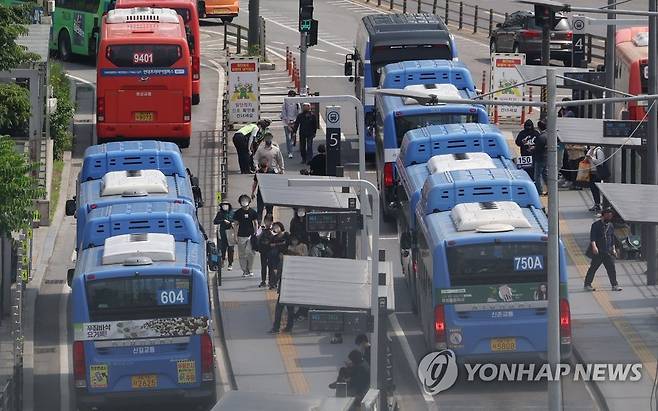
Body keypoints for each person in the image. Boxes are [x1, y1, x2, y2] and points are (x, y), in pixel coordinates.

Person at [584, 208, 622, 292]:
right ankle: (587, 284)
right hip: (599, 252)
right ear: (603, 215)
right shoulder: (596, 225)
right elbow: (592, 237)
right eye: (608, 215)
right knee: (593, 268)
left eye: (611, 215)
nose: (609, 216)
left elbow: (612, 238)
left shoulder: (610, 225)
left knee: (611, 268)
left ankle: (614, 285)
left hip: (608, 251)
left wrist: (613, 249)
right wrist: (594, 247)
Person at [232, 194, 258, 278]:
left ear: (249, 201)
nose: (244, 202)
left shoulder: (253, 212)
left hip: (250, 235)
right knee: (242, 253)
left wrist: (256, 233)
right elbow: (235, 225)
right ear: (240, 202)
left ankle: (250, 269)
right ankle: (244, 270)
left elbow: (255, 223)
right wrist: (235, 236)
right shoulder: (238, 213)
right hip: (241, 235)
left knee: (250, 252)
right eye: (242, 200)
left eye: (246, 200)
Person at [268, 256, 295, 334]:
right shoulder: (295, 263)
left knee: (279, 309)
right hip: (293, 289)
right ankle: (289, 327)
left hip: (284, 289)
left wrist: (273, 283)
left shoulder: (283, 262)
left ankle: (276, 328)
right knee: (290, 310)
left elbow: (278, 275)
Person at [585, 145, 610, 212]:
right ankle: (597, 204)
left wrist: (591, 158)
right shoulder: (590, 150)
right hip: (591, 172)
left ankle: (598, 204)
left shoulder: (599, 151)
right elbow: (586, 160)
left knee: (596, 189)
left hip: (597, 173)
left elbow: (600, 162)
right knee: (593, 189)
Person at [251, 158, 275, 224]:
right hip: (261, 194)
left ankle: (269, 224)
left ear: (267, 165)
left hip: (270, 194)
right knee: (260, 210)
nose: (264, 169)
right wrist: (252, 192)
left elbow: (275, 182)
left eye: (265, 166)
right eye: (263, 167)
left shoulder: (272, 171)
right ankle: (259, 225)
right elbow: (255, 183)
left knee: (269, 211)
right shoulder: (258, 172)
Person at [268, 222, 290, 289]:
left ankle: (276, 282)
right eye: (274, 227)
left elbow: (287, 243)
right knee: (274, 269)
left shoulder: (286, 235)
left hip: (284, 255)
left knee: (280, 270)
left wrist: (277, 245)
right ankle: (272, 283)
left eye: (277, 226)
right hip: (274, 257)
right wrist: (280, 244)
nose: (276, 228)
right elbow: (270, 245)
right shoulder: (274, 237)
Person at [213, 202, 235, 270]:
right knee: (223, 248)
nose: (225, 206)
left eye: (226, 205)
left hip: (231, 232)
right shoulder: (220, 213)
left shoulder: (233, 213)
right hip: (222, 233)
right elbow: (215, 221)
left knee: (231, 248)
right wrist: (223, 221)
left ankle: (230, 263)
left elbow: (236, 221)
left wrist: (231, 223)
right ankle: (222, 260)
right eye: (223, 205)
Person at [280, 89, 300, 159]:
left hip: (294, 122)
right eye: (290, 96)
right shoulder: (285, 104)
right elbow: (283, 113)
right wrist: (288, 123)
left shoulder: (297, 104)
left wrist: (294, 122)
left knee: (292, 136)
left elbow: (298, 113)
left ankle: (292, 145)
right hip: (286, 122)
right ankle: (290, 152)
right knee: (288, 138)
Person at [256, 214, 274, 288]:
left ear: (272, 222)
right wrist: (262, 232)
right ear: (264, 221)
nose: (268, 223)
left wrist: (271, 232)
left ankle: (270, 281)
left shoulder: (274, 228)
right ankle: (263, 281)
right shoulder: (261, 228)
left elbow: (276, 236)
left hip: (271, 250)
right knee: (263, 266)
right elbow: (257, 236)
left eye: (270, 221)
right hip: (263, 250)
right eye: (266, 221)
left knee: (271, 266)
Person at [532, 119, 548, 195]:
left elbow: (538, 148)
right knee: (545, 174)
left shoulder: (541, 137)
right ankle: (550, 189)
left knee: (537, 175)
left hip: (540, 158)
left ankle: (539, 191)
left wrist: (532, 149)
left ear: (539, 127)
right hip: (547, 157)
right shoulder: (548, 135)